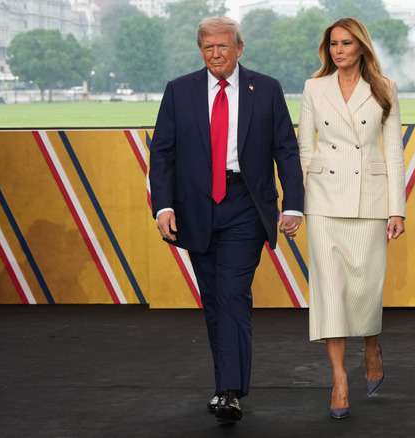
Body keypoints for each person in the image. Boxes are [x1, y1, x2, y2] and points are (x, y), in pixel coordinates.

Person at [148, 17, 304, 425]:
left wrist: (293, 205)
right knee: (215, 300)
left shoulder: (265, 88)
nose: (215, 54)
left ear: (239, 48)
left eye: (223, 46)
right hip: (195, 210)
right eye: (207, 47)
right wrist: (162, 206)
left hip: (246, 206)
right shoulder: (178, 90)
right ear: (200, 50)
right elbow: (162, 154)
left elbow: (286, 149)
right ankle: (226, 387)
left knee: (233, 294)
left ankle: (230, 392)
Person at [297, 17, 406, 420]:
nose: (339, 50)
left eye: (346, 43)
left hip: (371, 200)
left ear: (361, 47)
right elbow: (304, 148)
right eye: (333, 44)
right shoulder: (313, 88)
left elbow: (393, 151)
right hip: (324, 200)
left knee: (365, 291)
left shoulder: (384, 88)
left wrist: (398, 208)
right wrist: (297, 203)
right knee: (330, 292)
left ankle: (372, 347)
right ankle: (339, 379)